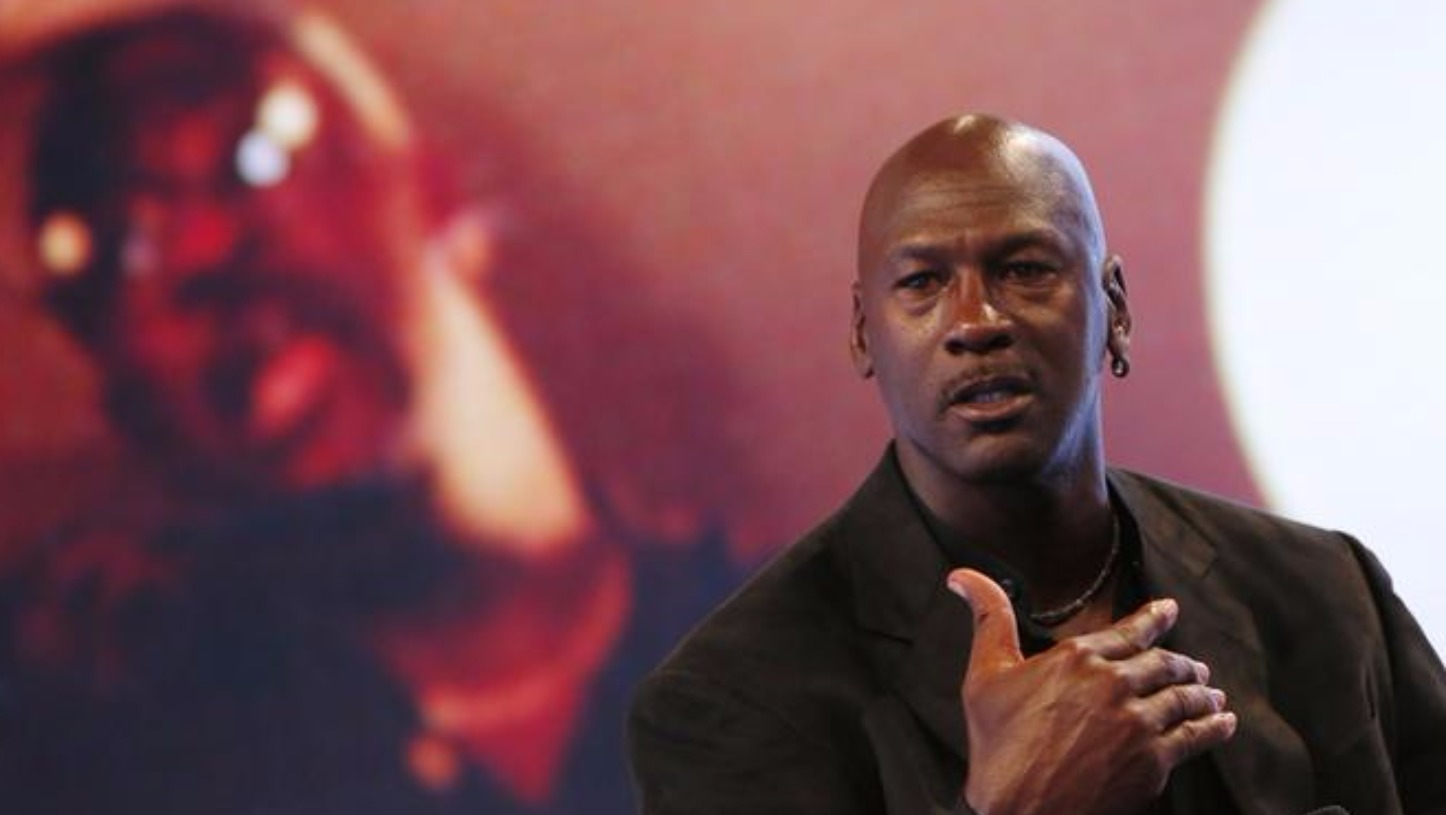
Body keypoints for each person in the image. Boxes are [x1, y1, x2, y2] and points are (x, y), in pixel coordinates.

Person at [0, 6, 732, 814]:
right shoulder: (84, 752)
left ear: (433, 190)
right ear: (121, 402)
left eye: (253, 148)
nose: (200, 249)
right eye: (112, 248)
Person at [628, 114, 1446, 814]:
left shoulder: (1329, 593)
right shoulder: (729, 700)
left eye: (1023, 269)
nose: (975, 321)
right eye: (923, 281)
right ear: (863, 332)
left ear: (1114, 309)